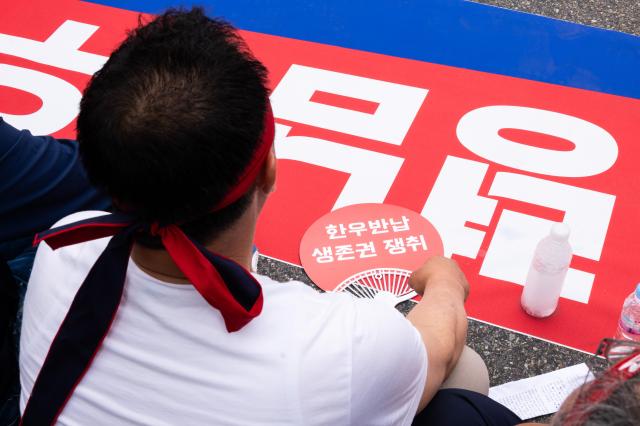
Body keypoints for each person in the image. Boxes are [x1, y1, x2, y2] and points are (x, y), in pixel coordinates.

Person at [18, 7, 517, 425]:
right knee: (465, 379)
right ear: (269, 169)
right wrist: (446, 283)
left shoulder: (64, 247)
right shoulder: (335, 348)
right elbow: (440, 347)